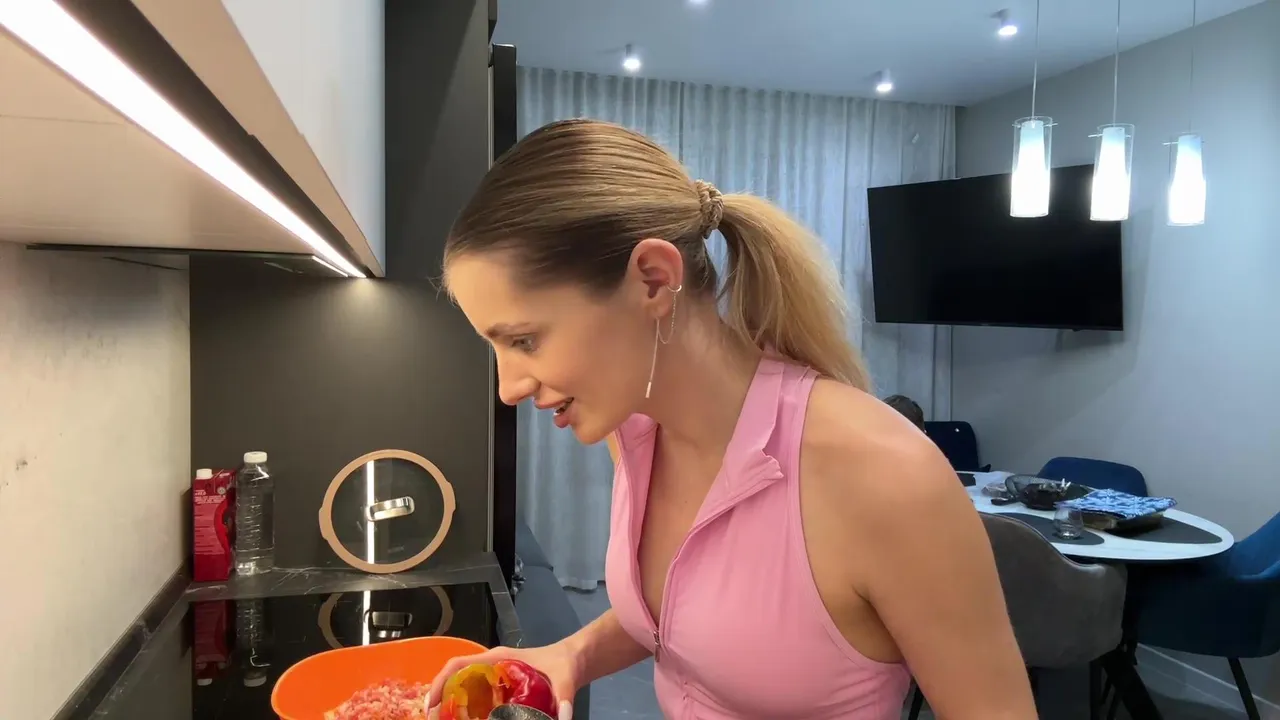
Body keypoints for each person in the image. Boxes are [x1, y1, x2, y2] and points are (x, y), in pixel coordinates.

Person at [428, 119, 1033, 720]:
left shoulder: (886, 476)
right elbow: (686, 621)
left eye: (525, 340)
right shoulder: (633, 431)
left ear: (653, 280)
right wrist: (571, 654)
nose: (508, 389)